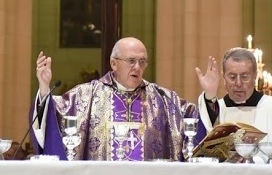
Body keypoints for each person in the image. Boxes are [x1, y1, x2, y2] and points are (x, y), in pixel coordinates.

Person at [31, 37, 199, 161]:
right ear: (113, 63)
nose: (138, 67)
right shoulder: (87, 95)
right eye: (131, 61)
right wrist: (45, 87)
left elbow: (196, 125)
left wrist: (210, 97)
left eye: (142, 62)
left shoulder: (163, 99)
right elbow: (55, 116)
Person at [195, 48, 272, 147]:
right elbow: (204, 142)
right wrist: (209, 94)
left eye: (244, 77)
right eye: (232, 77)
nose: (238, 83)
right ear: (224, 77)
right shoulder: (215, 111)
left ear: (255, 76)